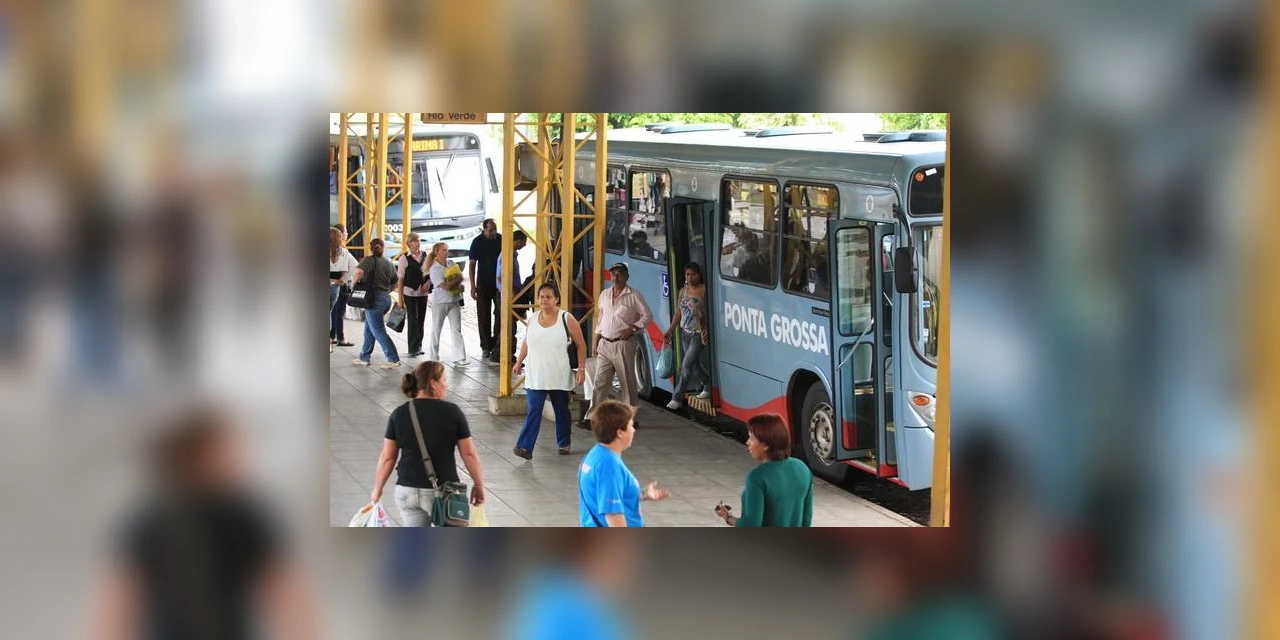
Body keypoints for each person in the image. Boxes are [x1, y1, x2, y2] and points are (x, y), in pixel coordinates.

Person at [370, 361, 486, 526]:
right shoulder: (452, 412)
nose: (446, 385)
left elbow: (387, 457)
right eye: (444, 380)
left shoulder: (399, 413)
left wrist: (377, 488)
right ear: (433, 383)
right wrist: (479, 484)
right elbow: (469, 453)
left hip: (407, 490)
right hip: (443, 491)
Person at [511, 283, 588, 459]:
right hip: (536, 374)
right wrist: (519, 362)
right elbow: (527, 342)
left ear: (556, 299)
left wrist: (581, 369)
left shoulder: (566, 318)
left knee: (561, 410)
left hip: (558, 374)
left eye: (548, 297)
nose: (544, 300)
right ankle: (524, 447)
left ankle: (564, 442)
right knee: (534, 410)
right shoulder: (533, 318)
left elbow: (581, 344)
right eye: (541, 297)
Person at [578, 400, 670, 527]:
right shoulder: (609, 465)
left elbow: (606, 493)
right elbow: (613, 514)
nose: (634, 430)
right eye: (631, 425)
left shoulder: (594, 455)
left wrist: (642, 494)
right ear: (620, 433)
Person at [713, 414, 813, 527]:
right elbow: (807, 518)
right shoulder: (803, 468)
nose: (747, 442)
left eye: (751, 438)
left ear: (765, 445)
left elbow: (751, 525)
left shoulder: (757, 477)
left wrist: (727, 517)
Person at [587, 262, 653, 415]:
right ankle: (592, 417)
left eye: (620, 274)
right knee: (599, 382)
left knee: (627, 383)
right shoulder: (604, 295)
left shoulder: (634, 295)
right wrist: (596, 341)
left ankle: (630, 418)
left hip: (623, 344)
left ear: (627, 276)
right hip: (605, 343)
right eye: (613, 274)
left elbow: (648, 315)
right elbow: (601, 319)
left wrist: (633, 328)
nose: (616, 277)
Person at [664, 262, 711, 409]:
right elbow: (678, 312)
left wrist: (706, 330)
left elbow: (708, 312)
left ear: (699, 275)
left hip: (698, 333)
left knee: (686, 365)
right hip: (685, 333)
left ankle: (677, 398)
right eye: (687, 274)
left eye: (693, 274)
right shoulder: (683, 291)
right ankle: (708, 384)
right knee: (694, 364)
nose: (690, 277)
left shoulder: (704, 290)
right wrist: (671, 329)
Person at [350, 238, 402, 369]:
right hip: (386, 299)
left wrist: (353, 285)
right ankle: (364, 357)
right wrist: (386, 291)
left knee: (378, 330)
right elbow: (395, 283)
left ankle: (393, 358)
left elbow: (358, 272)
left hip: (373, 300)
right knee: (369, 329)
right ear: (383, 248)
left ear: (370, 248)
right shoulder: (388, 263)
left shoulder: (368, 260)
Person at [426, 242, 467, 366]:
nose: (446, 252)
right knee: (436, 329)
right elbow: (445, 286)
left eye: (447, 250)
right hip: (440, 301)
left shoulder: (451, 263)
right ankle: (434, 357)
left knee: (456, 329)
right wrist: (457, 280)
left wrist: (456, 281)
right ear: (437, 252)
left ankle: (460, 357)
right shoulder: (434, 268)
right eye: (444, 250)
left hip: (454, 300)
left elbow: (460, 277)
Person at [491, 230, 529, 364]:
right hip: (507, 295)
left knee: (506, 325)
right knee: (509, 326)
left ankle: (500, 353)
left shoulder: (510, 254)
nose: (525, 245)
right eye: (524, 242)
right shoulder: (507, 255)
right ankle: (505, 355)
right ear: (517, 241)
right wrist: (512, 293)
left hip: (507, 293)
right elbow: (501, 277)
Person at [468, 219, 502, 360]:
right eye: (490, 230)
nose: (493, 233)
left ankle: (497, 344)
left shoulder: (500, 239)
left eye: (495, 229)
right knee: (483, 314)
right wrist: (473, 286)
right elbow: (472, 265)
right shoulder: (477, 242)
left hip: (499, 283)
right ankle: (486, 346)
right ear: (484, 229)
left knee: (500, 313)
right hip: (483, 282)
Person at [395, 233, 432, 357]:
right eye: (415, 241)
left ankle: (419, 345)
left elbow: (432, 272)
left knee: (421, 319)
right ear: (409, 243)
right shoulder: (404, 258)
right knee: (413, 319)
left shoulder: (426, 256)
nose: (418, 243)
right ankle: (412, 347)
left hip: (423, 293)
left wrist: (428, 282)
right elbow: (401, 279)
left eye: (419, 241)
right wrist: (400, 298)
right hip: (409, 292)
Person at [329, 225, 357, 348]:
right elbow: (354, 265)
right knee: (330, 311)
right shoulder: (344, 252)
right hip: (335, 285)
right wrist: (343, 279)